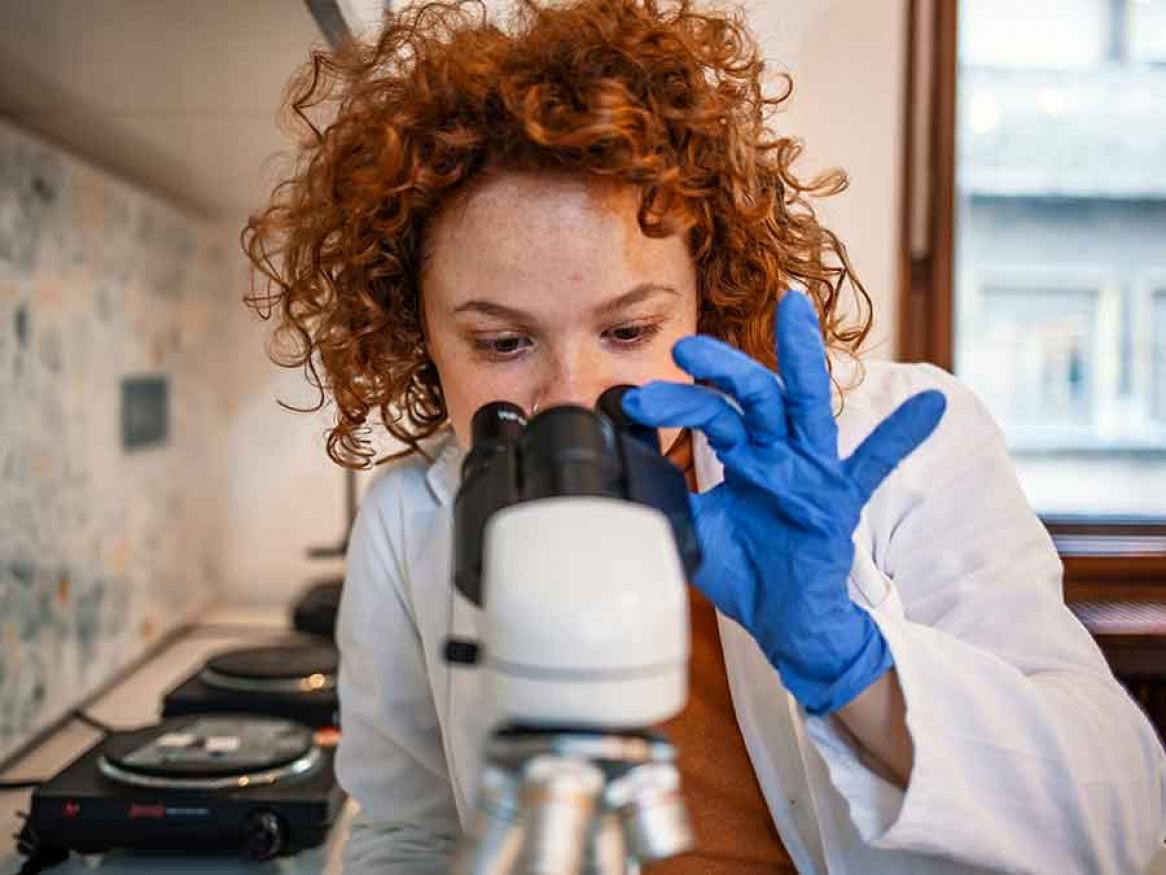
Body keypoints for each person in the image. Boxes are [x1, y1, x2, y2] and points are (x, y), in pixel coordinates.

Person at [241, 0, 1166, 872]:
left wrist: (851, 662)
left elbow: (1120, 820)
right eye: (502, 342)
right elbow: (411, 833)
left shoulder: (899, 445)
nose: (573, 398)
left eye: (629, 330)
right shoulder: (412, 521)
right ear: (419, 336)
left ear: (708, 297)